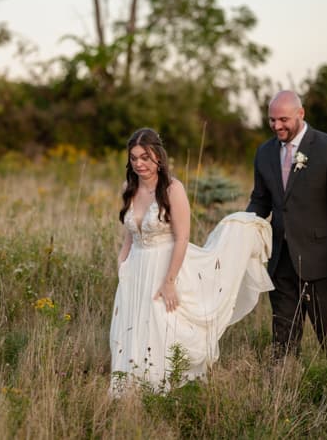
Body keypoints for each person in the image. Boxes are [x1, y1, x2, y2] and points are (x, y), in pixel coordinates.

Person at [109, 128, 274, 394]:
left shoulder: (173, 189)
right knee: (132, 325)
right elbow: (130, 233)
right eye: (134, 158)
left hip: (165, 264)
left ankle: (163, 387)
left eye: (145, 157)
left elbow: (183, 237)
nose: (139, 164)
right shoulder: (128, 188)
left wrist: (169, 281)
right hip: (136, 268)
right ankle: (132, 387)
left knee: (162, 325)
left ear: (158, 158)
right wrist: (122, 262)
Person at [246, 91, 327, 359]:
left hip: (319, 260)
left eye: (283, 119)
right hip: (280, 260)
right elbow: (260, 201)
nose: (277, 126)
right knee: (282, 335)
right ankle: (284, 386)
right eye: (272, 120)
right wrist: (239, 229)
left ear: (301, 113)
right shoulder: (264, 152)